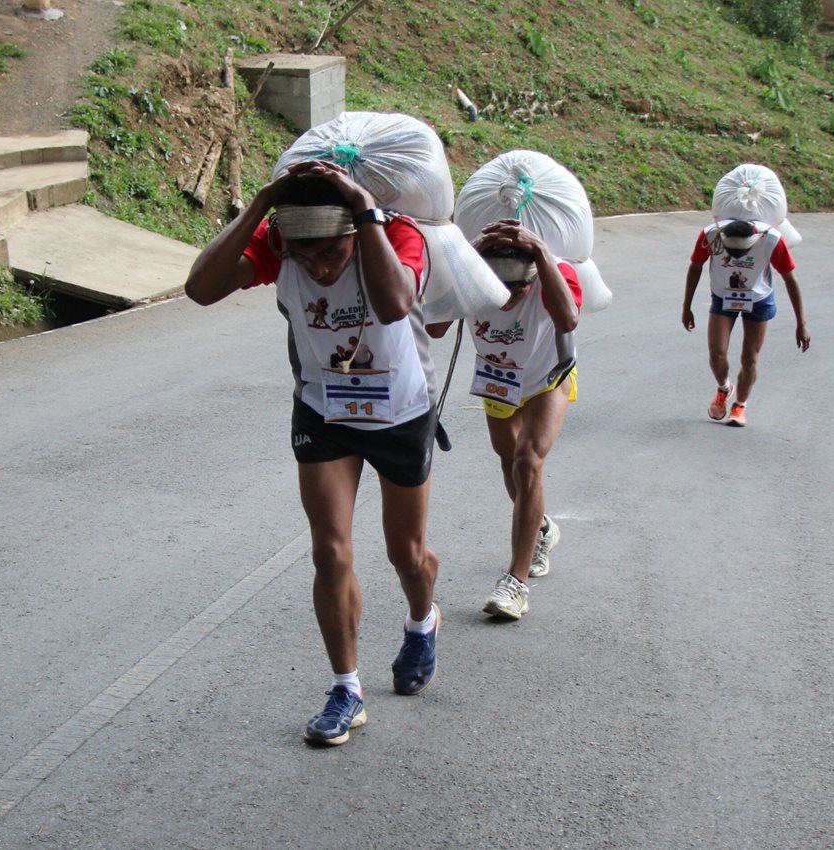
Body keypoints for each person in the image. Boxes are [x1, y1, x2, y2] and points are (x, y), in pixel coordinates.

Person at [184, 159, 441, 746]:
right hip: (325, 410)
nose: (317, 268)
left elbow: (396, 302)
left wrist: (363, 212)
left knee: (407, 552)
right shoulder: (282, 239)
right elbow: (200, 290)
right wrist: (260, 204)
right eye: (303, 257)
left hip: (399, 410)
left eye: (329, 253)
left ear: (353, 227)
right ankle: (346, 689)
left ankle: (422, 620)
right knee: (330, 550)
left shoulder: (394, 232)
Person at [428, 219, 581, 621]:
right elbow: (436, 327)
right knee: (508, 460)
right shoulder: (473, 275)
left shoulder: (555, 272)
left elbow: (567, 319)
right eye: (499, 284)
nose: (508, 296)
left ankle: (515, 584)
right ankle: (542, 528)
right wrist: (466, 260)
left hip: (547, 378)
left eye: (519, 286)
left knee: (528, 462)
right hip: (499, 381)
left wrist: (544, 255)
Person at [681, 219, 810, 426]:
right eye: (730, 250)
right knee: (717, 352)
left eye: (742, 251)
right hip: (723, 296)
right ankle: (724, 388)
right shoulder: (710, 236)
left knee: (750, 358)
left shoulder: (771, 240)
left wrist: (801, 323)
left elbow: (790, 280)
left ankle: (740, 405)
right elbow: (695, 267)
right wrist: (686, 307)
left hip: (759, 300)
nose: (735, 255)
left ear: (755, 240)